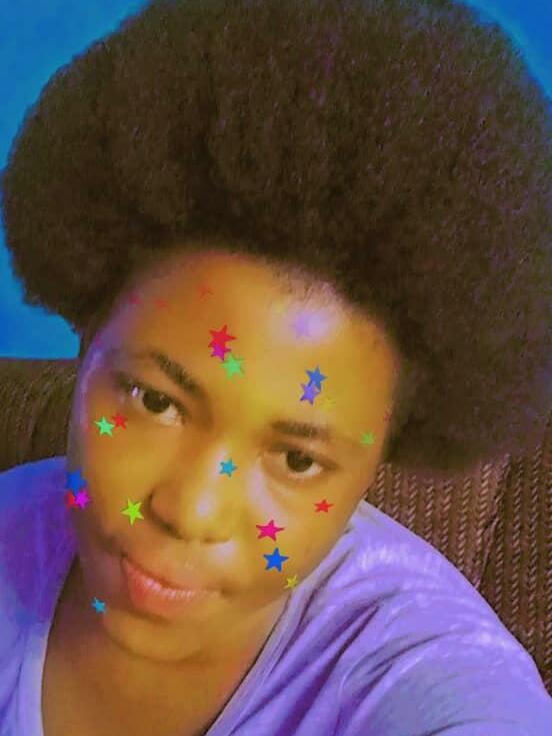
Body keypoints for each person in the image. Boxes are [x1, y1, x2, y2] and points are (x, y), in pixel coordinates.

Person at [0, 0, 551, 734]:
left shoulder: (427, 678)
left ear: (381, 458)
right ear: (86, 338)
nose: (192, 510)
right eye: (156, 401)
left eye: (296, 458)